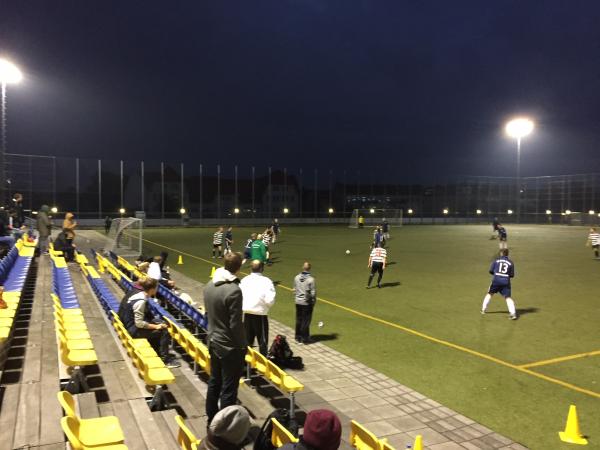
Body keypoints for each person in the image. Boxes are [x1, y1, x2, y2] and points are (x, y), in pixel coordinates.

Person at [203, 252, 246, 423]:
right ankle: (224, 425)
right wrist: (243, 344)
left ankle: (212, 417)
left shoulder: (209, 285)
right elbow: (235, 324)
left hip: (214, 341)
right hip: (229, 346)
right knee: (229, 388)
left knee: (215, 381)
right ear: (239, 267)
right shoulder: (234, 290)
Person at [117, 277, 180, 367]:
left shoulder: (137, 294)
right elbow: (139, 323)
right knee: (164, 331)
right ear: (152, 289)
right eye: (156, 288)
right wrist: (156, 327)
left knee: (157, 323)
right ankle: (165, 360)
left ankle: (158, 351)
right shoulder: (141, 301)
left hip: (128, 324)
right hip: (133, 329)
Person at [240, 260, 276, 355]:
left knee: (247, 342)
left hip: (247, 314)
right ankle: (263, 364)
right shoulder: (266, 281)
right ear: (262, 268)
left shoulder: (244, 280)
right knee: (262, 343)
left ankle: (246, 363)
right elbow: (270, 300)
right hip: (260, 315)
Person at [481, 248, 517, 320]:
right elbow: (512, 275)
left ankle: (483, 309)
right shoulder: (511, 262)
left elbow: (491, 271)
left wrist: (497, 274)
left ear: (501, 254)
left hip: (496, 280)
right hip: (505, 282)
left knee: (490, 293)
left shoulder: (496, 261)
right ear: (507, 254)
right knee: (508, 298)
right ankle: (513, 314)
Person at [293, 262, 316, 345]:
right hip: (306, 303)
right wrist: (313, 301)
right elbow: (313, 293)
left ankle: (298, 337)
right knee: (306, 321)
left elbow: (294, 290)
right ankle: (304, 338)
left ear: (303, 267)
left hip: (297, 301)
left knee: (299, 319)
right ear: (310, 268)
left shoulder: (296, 277)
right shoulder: (311, 279)